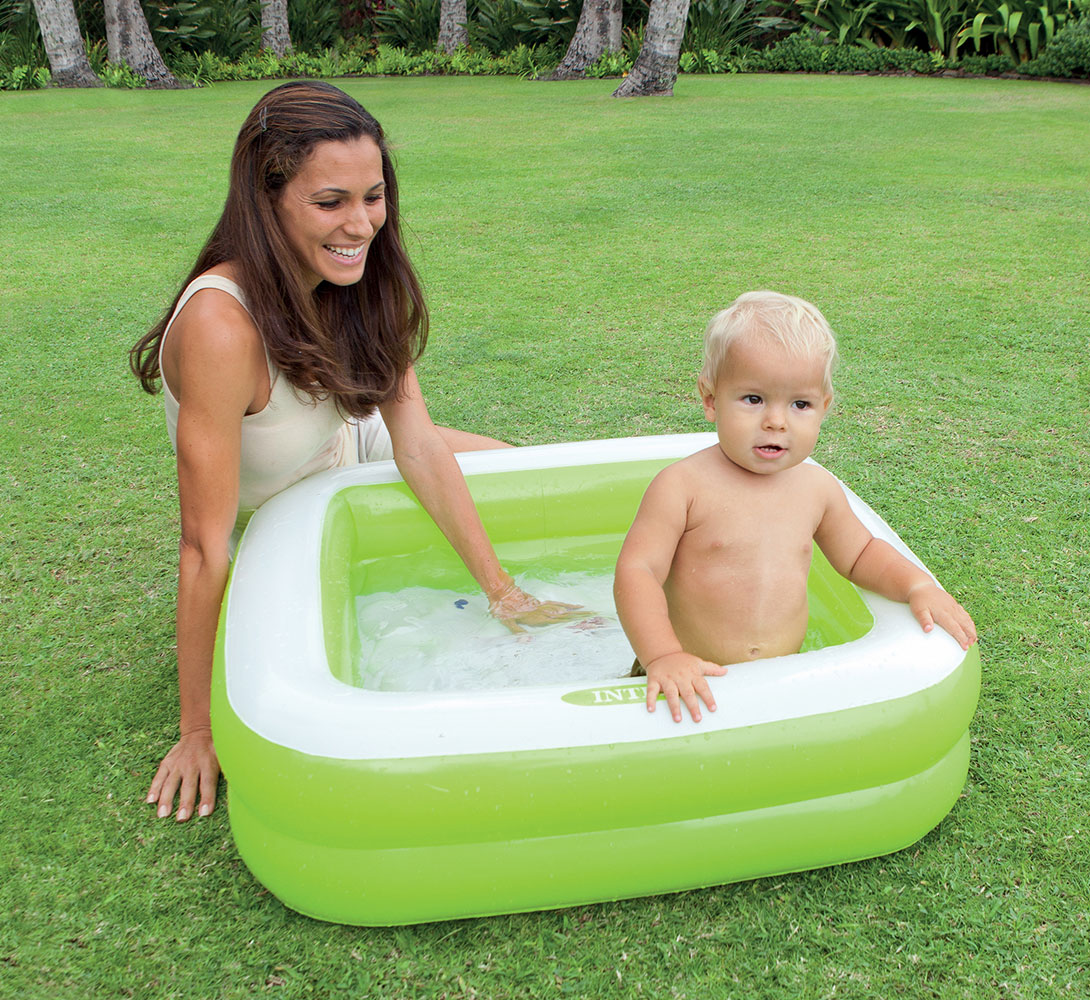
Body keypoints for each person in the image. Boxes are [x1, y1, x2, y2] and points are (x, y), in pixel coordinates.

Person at [131, 81, 584, 822]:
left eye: (374, 197)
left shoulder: (361, 279)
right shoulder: (221, 327)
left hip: (350, 441)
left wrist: (504, 592)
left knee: (509, 470)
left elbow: (418, 443)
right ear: (267, 198)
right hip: (278, 518)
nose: (361, 223)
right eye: (330, 201)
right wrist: (197, 729)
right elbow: (203, 545)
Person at [613, 291, 977, 724]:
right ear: (710, 399)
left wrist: (917, 586)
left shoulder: (817, 489)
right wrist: (662, 655)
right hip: (684, 677)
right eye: (753, 399)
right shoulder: (682, 486)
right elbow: (638, 571)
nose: (776, 421)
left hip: (780, 680)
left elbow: (861, 554)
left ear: (824, 408)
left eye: (800, 404)